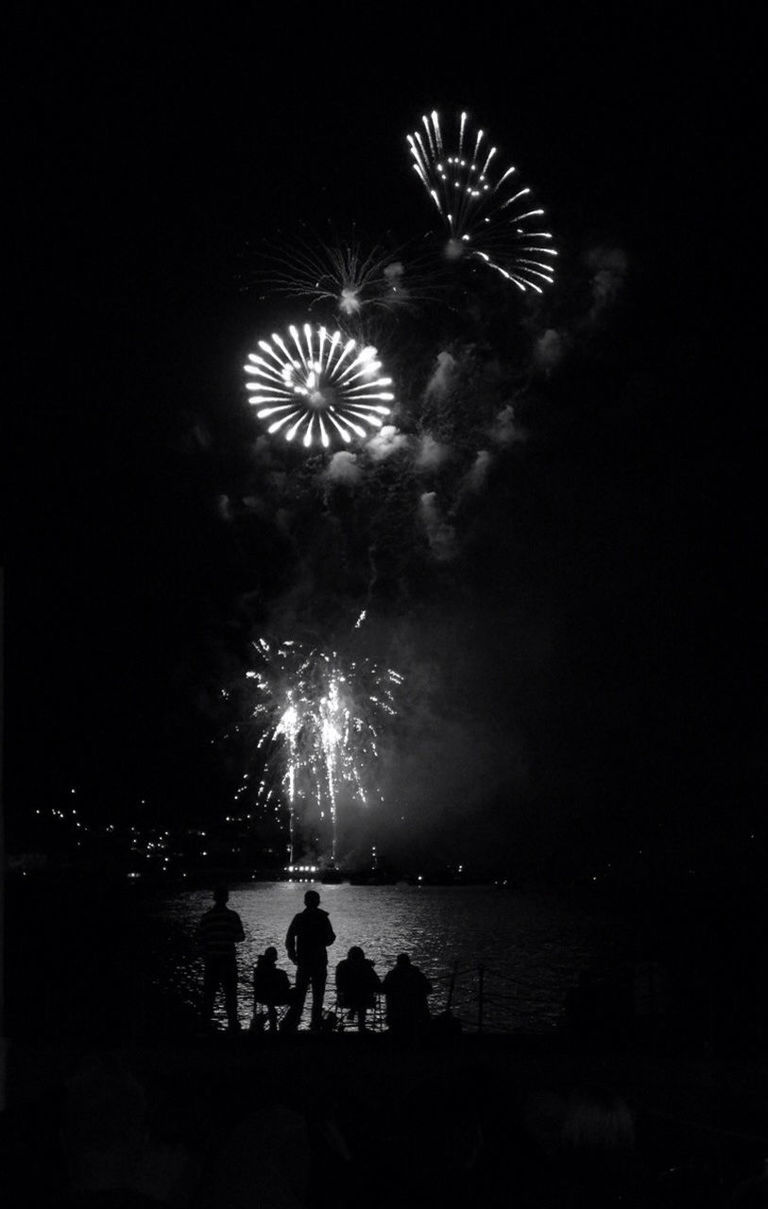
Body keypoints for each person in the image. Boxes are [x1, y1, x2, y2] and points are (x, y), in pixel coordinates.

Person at [283, 889, 336, 1030]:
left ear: (305, 902)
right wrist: (321, 942)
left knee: (300, 994)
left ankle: (294, 1023)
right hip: (319, 961)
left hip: (304, 961)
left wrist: (293, 955)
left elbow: (289, 939)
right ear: (318, 902)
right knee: (318, 995)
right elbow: (331, 938)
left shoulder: (299, 918)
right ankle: (315, 1023)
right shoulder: (323, 918)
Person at [199, 884, 245, 1031]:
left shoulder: (206, 917)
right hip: (227, 959)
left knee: (209, 994)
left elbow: (200, 938)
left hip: (211, 959)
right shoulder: (232, 916)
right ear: (226, 898)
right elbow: (240, 937)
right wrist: (228, 936)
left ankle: (205, 1024)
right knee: (230, 993)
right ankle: (233, 1024)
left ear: (214, 898)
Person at [382, 952, 432, 1041]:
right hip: (416, 1010)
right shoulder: (418, 974)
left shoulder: (392, 975)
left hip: (396, 1011)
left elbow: (384, 989)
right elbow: (429, 989)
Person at [335, 945, 381, 1031]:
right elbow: (376, 982)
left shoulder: (342, 965)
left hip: (345, 999)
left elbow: (338, 983)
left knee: (358, 992)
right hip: (365, 999)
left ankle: (353, 1010)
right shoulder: (366, 966)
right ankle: (361, 1026)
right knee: (362, 993)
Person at [252, 946, 292, 1032]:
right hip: (274, 997)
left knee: (270, 1002)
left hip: (261, 997)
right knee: (297, 995)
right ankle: (287, 1022)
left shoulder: (258, 971)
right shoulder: (279, 973)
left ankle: (274, 1025)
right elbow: (286, 986)